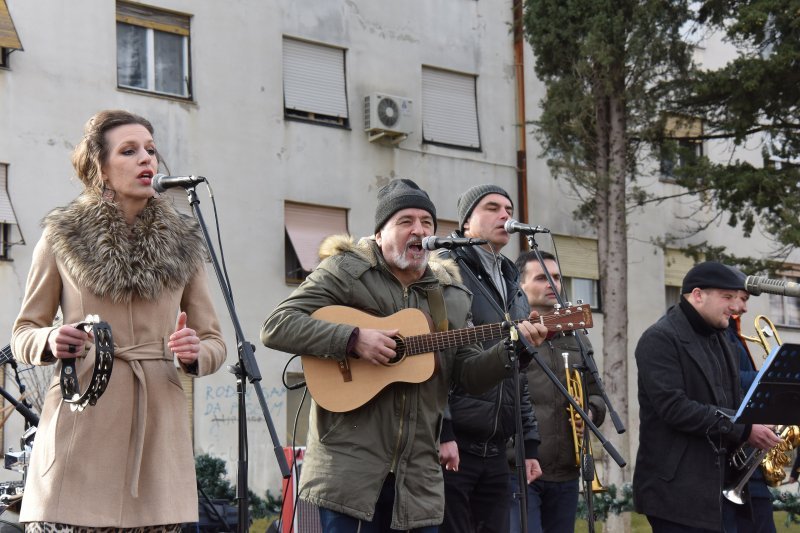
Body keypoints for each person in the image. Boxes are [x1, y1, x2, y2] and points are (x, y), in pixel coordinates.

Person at [260, 178, 549, 533]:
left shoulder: (451, 294)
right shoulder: (346, 272)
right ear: (380, 233)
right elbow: (277, 325)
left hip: (417, 478)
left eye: (426, 222)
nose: (419, 230)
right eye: (406, 221)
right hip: (349, 471)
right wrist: (352, 338)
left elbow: (469, 373)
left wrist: (514, 348)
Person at [11, 110, 227, 532]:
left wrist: (194, 351)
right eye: (129, 151)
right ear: (101, 168)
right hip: (81, 420)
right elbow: (23, 333)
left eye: (150, 150)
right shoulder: (61, 236)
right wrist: (52, 338)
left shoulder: (183, 243)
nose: (147, 159)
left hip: (156, 433)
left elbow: (215, 340)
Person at [633, 261, 781, 532]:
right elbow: (675, 408)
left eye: (740, 298)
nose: (739, 307)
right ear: (698, 295)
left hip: (724, 483)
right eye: (727, 297)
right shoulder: (659, 338)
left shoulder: (721, 336)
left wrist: (764, 414)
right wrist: (746, 428)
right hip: (679, 491)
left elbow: (733, 398)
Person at [436, 184, 542, 533]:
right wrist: (444, 430)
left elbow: (518, 375)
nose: (505, 216)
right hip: (454, 444)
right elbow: (438, 360)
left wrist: (529, 445)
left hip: (498, 449)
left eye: (509, 209)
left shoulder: (513, 281)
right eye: (492, 208)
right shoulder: (445, 270)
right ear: (467, 222)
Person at [511, 250, 606, 533]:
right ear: (520, 285)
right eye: (542, 278)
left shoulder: (576, 335)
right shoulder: (511, 333)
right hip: (521, 469)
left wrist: (590, 411)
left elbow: (597, 393)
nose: (552, 284)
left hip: (566, 470)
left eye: (556, 277)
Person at [725, 284, 778, 533]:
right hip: (733, 458)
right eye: (741, 299)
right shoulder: (717, 335)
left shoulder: (732, 334)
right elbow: (730, 378)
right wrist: (771, 378)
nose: (745, 307)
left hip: (751, 467)